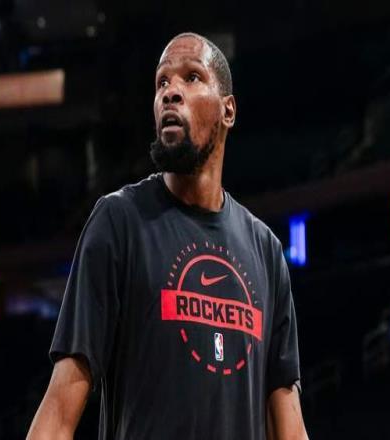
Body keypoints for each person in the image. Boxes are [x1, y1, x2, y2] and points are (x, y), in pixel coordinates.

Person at [27, 32, 309, 440]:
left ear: (228, 110)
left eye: (192, 77)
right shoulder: (119, 222)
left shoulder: (265, 250)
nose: (170, 92)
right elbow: (59, 407)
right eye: (162, 82)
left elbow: (288, 423)